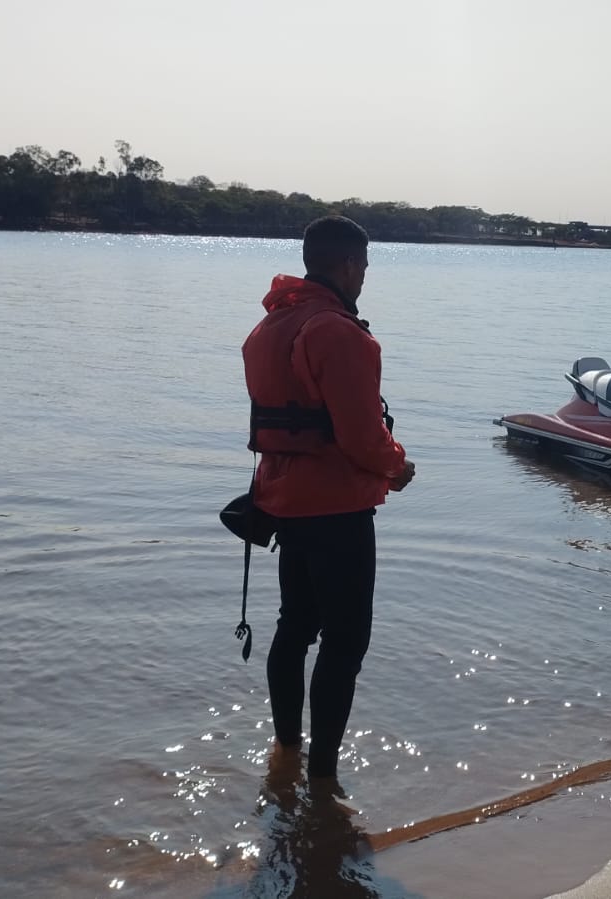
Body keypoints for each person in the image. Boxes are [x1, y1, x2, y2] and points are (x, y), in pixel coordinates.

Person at [242, 215, 415, 782]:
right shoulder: (339, 332)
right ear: (348, 265)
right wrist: (398, 466)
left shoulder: (272, 326)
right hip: (337, 509)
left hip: (285, 504)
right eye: (363, 268)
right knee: (345, 641)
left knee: (294, 625)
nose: (363, 279)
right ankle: (322, 780)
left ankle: (286, 752)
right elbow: (362, 437)